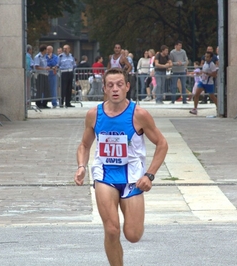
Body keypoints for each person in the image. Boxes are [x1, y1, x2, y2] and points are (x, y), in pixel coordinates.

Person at [74, 68, 168, 266]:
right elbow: (84, 145)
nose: (115, 89)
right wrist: (81, 166)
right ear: (105, 89)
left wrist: (149, 175)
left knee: (133, 235)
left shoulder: (139, 114)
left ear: (127, 87)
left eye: (119, 84)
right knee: (111, 229)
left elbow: (162, 144)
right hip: (105, 174)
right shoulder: (94, 114)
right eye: (110, 85)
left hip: (133, 178)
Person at [34, 44, 51, 109]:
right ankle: (38, 103)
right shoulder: (38, 57)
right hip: (40, 74)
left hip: (45, 74)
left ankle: (44, 103)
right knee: (40, 90)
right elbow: (37, 66)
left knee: (46, 89)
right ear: (44, 50)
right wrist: (44, 68)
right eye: (46, 49)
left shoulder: (45, 57)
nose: (47, 51)